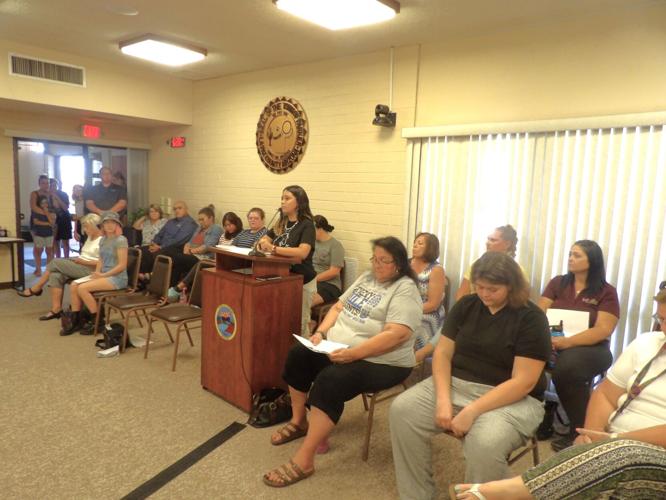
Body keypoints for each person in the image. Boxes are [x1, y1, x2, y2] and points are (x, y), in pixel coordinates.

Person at [449, 289, 666, 500]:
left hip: (648, 451)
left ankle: (500, 493)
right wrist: (592, 434)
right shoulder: (647, 343)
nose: (664, 328)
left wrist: (614, 440)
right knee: (589, 468)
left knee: (621, 455)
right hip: (611, 441)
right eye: (661, 319)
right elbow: (606, 395)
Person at [262, 237, 422, 488]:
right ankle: (298, 421)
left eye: (384, 261)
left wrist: (354, 354)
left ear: (399, 265)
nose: (377, 265)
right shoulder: (367, 278)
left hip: (384, 361)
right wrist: (321, 334)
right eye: (374, 259)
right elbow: (337, 308)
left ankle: (305, 459)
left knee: (331, 380)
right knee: (299, 355)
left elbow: (397, 334)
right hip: (339, 347)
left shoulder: (405, 289)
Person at [390, 252, 551, 499]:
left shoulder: (532, 318)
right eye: (480, 287)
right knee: (402, 410)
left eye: (493, 289)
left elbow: (523, 381)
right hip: (456, 384)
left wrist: (472, 410)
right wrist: (444, 400)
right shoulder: (466, 305)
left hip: (512, 398)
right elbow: (442, 355)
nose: (485, 294)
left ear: (511, 286)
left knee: (484, 443)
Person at [536, 240, 620, 451]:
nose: (571, 259)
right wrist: (551, 341)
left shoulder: (606, 292)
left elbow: (602, 329)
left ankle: (581, 431)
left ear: (592, 261)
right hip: (552, 342)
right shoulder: (557, 283)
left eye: (577, 255)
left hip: (592, 348)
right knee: (522, 358)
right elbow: (538, 315)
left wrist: (568, 342)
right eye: (570, 254)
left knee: (566, 370)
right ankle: (540, 416)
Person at [17, 214, 102, 320]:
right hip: (81, 263)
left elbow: (102, 262)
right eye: (83, 226)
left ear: (95, 226)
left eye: (87, 226)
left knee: (55, 262)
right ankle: (56, 309)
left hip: (90, 270)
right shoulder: (90, 237)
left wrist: (83, 261)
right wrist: (78, 259)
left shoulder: (102, 240)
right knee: (55, 275)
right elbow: (86, 255)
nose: (84, 229)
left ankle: (37, 288)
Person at [257, 185, 317, 336]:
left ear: (299, 202)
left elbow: (302, 252)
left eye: (287, 198)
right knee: (282, 320)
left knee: (300, 323)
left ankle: (303, 355)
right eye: (282, 198)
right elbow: (265, 238)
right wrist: (262, 243)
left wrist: (273, 249)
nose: (282, 202)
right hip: (282, 278)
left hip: (302, 280)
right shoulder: (281, 222)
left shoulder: (307, 224)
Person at [60, 211, 128, 336]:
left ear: (117, 225)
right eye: (106, 222)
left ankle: (97, 321)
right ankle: (76, 320)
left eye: (113, 222)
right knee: (74, 284)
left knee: (83, 288)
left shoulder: (121, 240)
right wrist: (97, 272)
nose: (109, 225)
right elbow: (101, 260)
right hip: (103, 274)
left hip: (117, 277)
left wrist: (102, 275)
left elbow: (122, 265)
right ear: (102, 225)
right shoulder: (103, 240)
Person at [172, 208, 266, 296]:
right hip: (231, 260)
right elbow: (232, 246)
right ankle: (187, 293)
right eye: (250, 218)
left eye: (256, 218)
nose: (252, 220)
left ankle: (180, 289)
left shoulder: (263, 233)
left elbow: (254, 249)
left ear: (262, 220)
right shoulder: (245, 232)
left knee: (201, 264)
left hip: (244, 265)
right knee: (201, 266)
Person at [455, 225, 519, 301]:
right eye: (488, 239)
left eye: (493, 240)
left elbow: (517, 300)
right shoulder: (477, 264)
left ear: (507, 244)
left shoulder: (517, 270)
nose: (487, 243)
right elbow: (461, 296)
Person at [410, 232, 446, 363]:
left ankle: (415, 359)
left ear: (430, 248)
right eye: (415, 242)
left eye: (420, 243)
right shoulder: (406, 265)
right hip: (406, 306)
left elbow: (433, 304)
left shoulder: (436, 269)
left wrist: (410, 312)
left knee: (414, 324)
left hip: (428, 312)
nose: (415, 245)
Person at [167, 205, 222, 287]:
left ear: (211, 218)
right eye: (199, 220)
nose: (200, 222)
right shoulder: (199, 228)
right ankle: (169, 289)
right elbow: (189, 242)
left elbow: (207, 246)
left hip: (201, 258)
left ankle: (172, 288)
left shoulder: (216, 228)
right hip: (191, 254)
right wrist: (186, 250)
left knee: (177, 258)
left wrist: (190, 251)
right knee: (172, 253)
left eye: (202, 219)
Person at [138, 201, 198, 274]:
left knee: (150, 254)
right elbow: (159, 235)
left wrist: (160, 247)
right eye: (175, 209)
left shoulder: (190, 224)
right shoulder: (171, 222)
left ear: (186, 209)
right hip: (160, 246)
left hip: (174, 249)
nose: (177, 210)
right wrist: (154, 243)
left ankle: (146, 276)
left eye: (180, 208)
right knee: (138, 251)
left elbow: (178, 241)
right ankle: (139, 276)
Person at [311, 215, 345, 308]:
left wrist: (312, 279)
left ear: (320, 229)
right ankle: (309, 321)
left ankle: (309, 321)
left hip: (329, 285)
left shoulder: (335, 245)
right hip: (312, 281)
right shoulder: (311, 242)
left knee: (305, 300)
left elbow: (334, 272)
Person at [30, 191, 56, 276]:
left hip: (49, 234)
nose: (45, 204)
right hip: (39, 233)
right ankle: (38, 269)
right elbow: (36, 222)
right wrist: (47, 223)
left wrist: (46, 212)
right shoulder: (36, 211)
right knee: (38, 251)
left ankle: (48, 270)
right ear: (39, 203)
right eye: (42, 203)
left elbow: (52, 222)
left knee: (49, 251)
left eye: (46, 202)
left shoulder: (51, 210)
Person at [50, 178, 72, 258]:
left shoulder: (63, 194)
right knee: (55, 242)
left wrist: (56, 197)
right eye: (51, 185)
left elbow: (65, 208)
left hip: (64, 219)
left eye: (55, 185)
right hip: (53, 220)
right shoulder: (46, 196)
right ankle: (58, 260)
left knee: (65, 242)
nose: (53, 187)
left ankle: (66, 260)